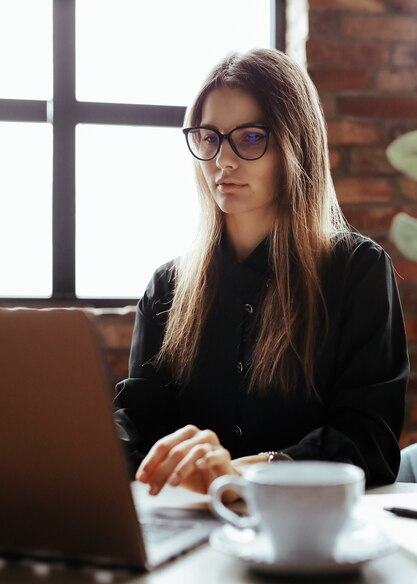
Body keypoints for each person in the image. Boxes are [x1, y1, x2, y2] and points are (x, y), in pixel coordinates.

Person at [114, 48, 409, 499]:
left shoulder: (357, 272)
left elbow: (368, 442)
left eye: (250, 139)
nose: (222, 161)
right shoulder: (167, 288)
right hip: (189, 529)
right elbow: (139, 421)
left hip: (309, 536)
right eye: (209, 137)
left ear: (297, 146)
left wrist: (245, 473)